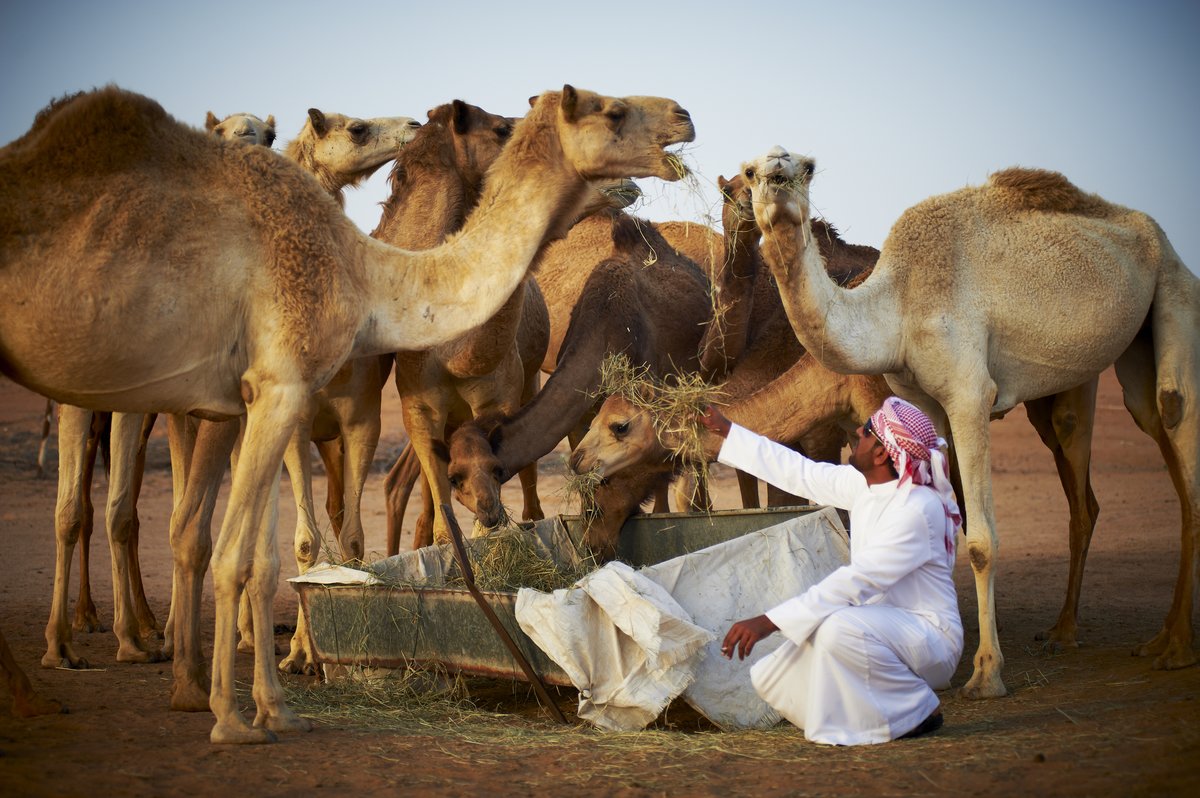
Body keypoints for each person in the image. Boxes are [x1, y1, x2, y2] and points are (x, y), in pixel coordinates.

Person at [699, 397, 963, 745]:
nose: (857, 433)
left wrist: (769, 621)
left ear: (881, 453)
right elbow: (800, 472)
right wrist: (728, 430)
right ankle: (858, 717)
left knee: (837, 625)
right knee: (771, 677)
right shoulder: (866, 487)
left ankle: (918, 709)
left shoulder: (918, 508)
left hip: (930, 637)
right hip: (878, 629)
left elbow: (859, 580)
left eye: (867, 431)